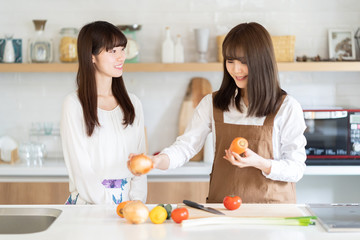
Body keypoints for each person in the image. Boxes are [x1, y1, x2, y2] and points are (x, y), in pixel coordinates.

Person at [148, 22, 307, 203]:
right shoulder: (213, 103)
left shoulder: (287, 107)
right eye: (230, 61)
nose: (236, 69)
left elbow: (296, 169)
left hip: (272, 214)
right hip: (222, 209)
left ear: (262, 61)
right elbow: (186, 147)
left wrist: (260, 162)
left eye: (244, 62)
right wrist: (157, 161)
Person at [61, 21, 147, 205]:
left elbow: (140, 163)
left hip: (129, 207)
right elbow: (81, 170)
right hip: (89, 207)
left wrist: (137, 201)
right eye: (112, 51)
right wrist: (110, 207)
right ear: (91, 56)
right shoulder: (74, 104)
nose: (121, 57)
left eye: (122, 49)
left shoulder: (133, 104)